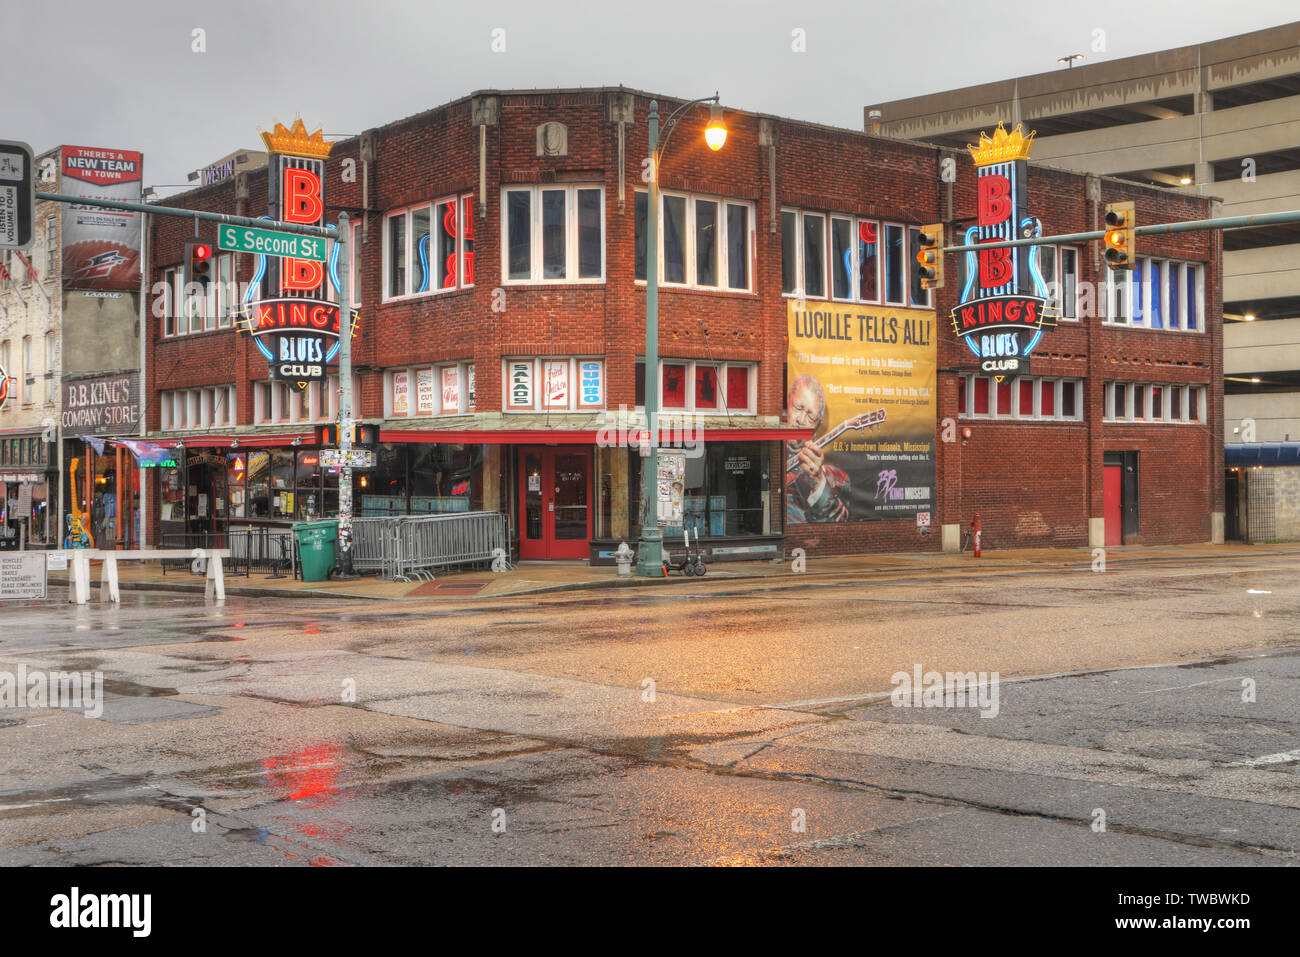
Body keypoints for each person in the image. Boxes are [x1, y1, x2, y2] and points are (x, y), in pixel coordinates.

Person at [785, 374, 850, 522]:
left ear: (817, 426)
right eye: (798, 408)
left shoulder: (839, 478)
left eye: (810, 417)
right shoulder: (765, 448)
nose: (801, 420)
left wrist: (819, 482)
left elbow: (841, 524)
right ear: (787, 403)